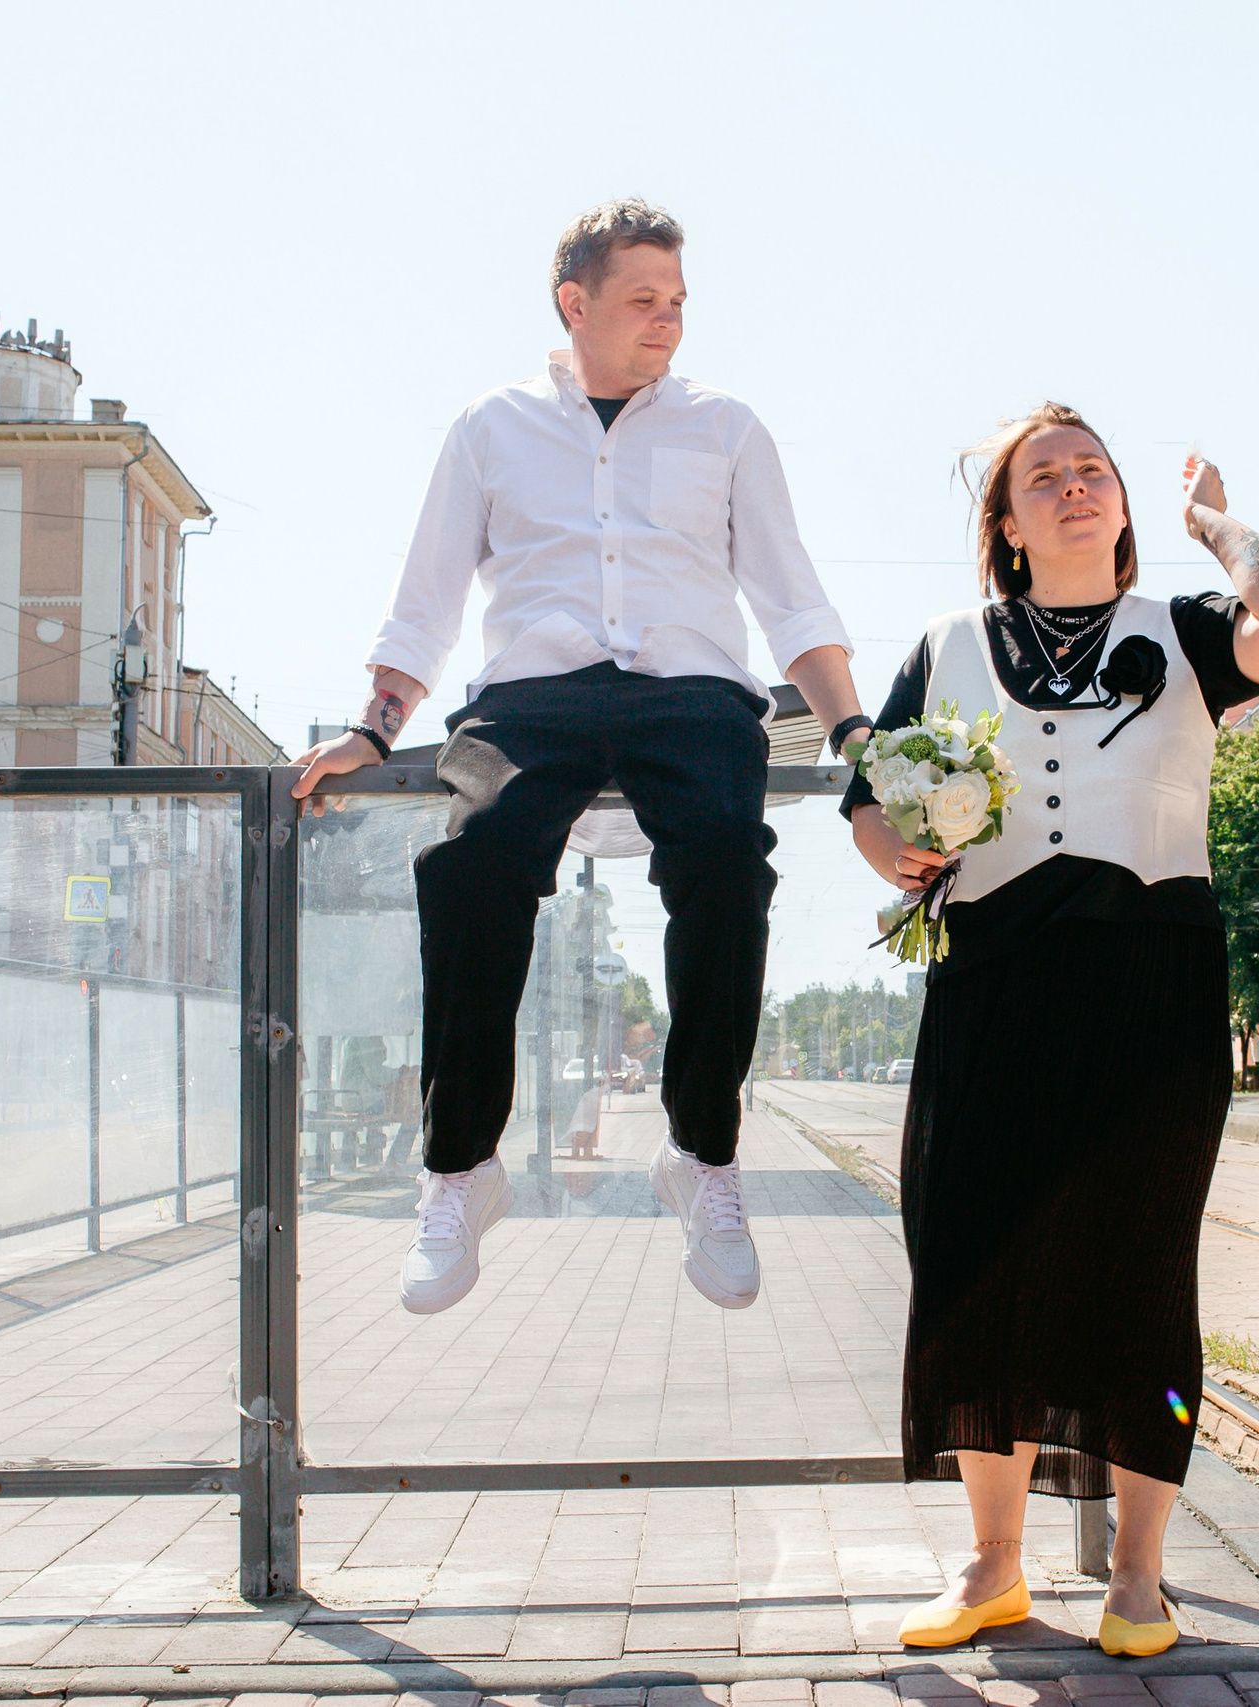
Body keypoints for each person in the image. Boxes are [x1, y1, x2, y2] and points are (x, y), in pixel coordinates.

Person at [293, 200, 870, 1315]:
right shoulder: (491, 427)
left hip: (693, 693)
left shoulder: (726, 428)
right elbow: (427, 595)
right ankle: (461, 1169)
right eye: (644, 299)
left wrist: (853, 733)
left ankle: (700, 1156)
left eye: (679, 301)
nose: (670, 321)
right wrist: (375, 725)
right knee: (470, 864)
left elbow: (791, 596)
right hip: (532, 696)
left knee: (725, 865)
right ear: (575, 303)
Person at [846, 405, 1259, 1657]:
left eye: (1092, 471)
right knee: (973, 1265)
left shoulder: (1186, 630)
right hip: (993, 983)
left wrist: (1214, 524)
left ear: (1120, 504)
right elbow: (868, 803)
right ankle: (992, 1565)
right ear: (1006, 524)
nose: (1073, 488)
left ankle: (1139, 1575)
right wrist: (896, 850)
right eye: (1043, 478)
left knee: (1140, 1271)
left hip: (1150, 986)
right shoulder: (947, 643)